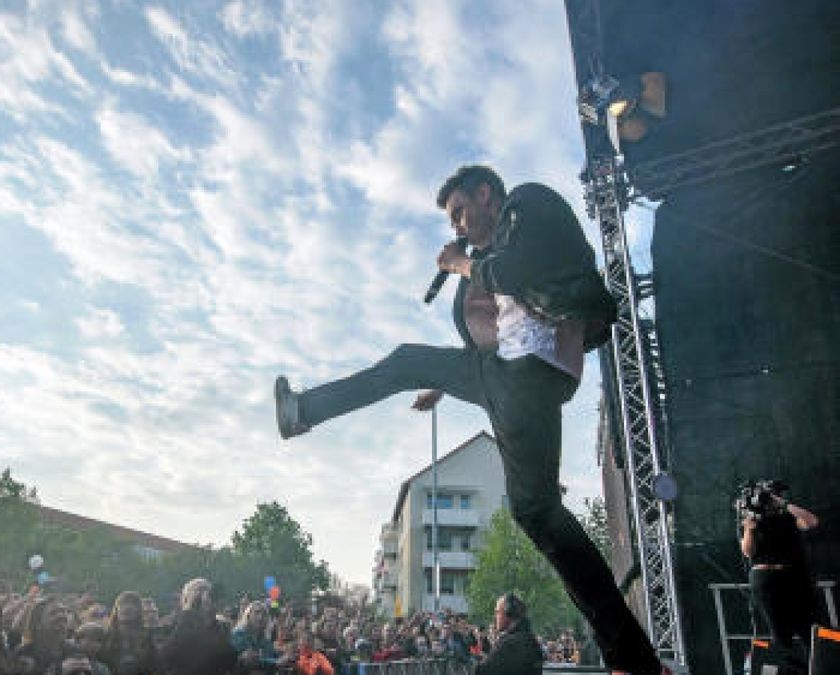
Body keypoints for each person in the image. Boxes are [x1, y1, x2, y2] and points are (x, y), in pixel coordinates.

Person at [275, 165, 667, 675]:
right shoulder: (486, 260)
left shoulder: (529, 206)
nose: (457, 224)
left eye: (460, 211)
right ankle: (302, 412)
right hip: (498, 371)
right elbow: (485, 333)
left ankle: (631, 655)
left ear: (486, 194)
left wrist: (462, 265)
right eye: (453, 219)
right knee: (407, 362)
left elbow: (519, 272)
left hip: (531, 372)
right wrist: (443, 382)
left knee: (540, 512)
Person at [739, 486, 823, 663]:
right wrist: (749, 529)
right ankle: (787, 668)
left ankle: (818, 666)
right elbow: (748, 552)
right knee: (779, 633)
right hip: (765, 579)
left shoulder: (787, 517)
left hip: (792, 577)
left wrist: (783, 503)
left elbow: (811, 521)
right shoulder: (753, 519)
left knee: (810, 629)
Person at [158, 578, 236, 674]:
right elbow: (166, 655)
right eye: (199, 590)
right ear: (185, 597)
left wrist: (211, 615)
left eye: (208, 591)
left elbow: (228, 660)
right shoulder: (170, 623)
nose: (204, 595)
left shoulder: (221, 626)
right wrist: (188, 612)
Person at [472, 593, 541, 675]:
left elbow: (482, 671)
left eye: (497, 612)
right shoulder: (531, 640)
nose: (495, 617)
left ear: (508, 613)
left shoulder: (509, 644)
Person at [102, 591, 158, 675]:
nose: (126, 608)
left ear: (139, 611)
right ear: (116, 609)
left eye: (132, 604)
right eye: (122, 604)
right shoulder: (105, 636)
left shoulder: (147, 636)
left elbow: (156, 666)